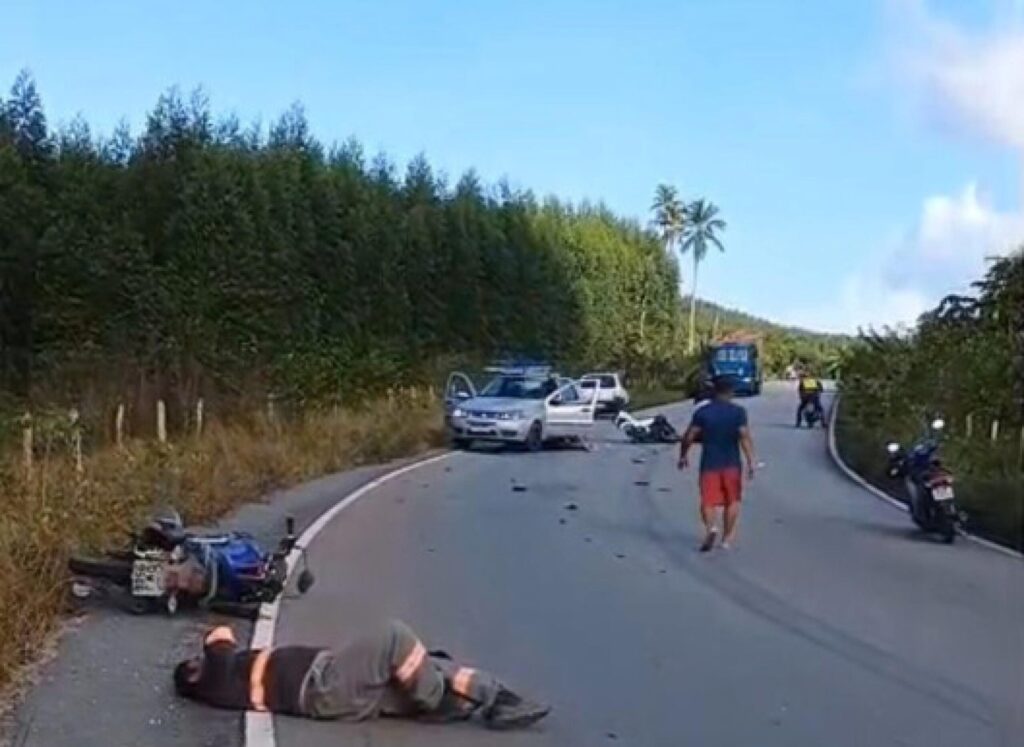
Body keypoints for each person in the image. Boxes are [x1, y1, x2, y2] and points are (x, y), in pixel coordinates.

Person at [173, 619, 550, 731]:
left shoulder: (225, 675)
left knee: (421, 665)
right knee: (393, 637)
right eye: (193, 663)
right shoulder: (213, 679)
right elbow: (220, 637)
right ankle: (438, 698)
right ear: (191, 676)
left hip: (331, 688)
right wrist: (208, 641)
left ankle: (492, 700)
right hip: (322, 686)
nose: (198, 660)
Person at [677, 375, 757, 552]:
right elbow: (744, 436)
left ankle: (711, 528)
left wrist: (683, 455)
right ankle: (727, 539)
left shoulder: (703, 412)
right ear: (730, 392)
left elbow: (689, 436)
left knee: (708, 501)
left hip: (710, 464)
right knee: (732, 500)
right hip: (732, 464)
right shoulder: (738, 412)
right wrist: (751, 461)